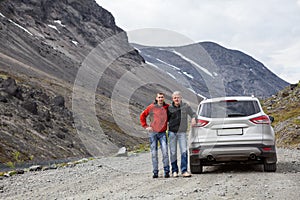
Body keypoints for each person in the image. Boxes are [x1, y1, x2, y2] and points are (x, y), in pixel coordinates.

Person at [140, 92, 170, 178]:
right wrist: (145, 126)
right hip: (153, 133)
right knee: (154, 153)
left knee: (165, 152)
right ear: (156, 98)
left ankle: (166, 171)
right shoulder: (151, 107)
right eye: (159, 97)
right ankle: (155, 172)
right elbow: (143, 115)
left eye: (162, 97)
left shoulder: (167, 107)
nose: (160, 99)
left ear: (163, 98)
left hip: (163, 133)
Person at [167, 91, 196, 177]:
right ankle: (174, 171)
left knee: (184, 151)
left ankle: (184, 171)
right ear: (172, 99)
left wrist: (194, 118)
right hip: (172, 132)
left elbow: (193, 113)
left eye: (178, 97)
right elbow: (164, 119)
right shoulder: (169, 108)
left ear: (181, 98)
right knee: (173, 152)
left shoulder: (186, 106)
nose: (176, 99)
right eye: (175, 98)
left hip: (182, 133)